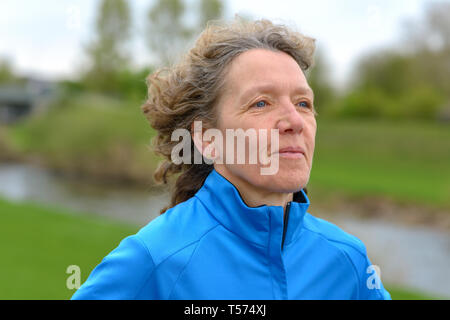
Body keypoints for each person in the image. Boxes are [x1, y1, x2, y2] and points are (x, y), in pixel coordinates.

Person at [71, 17, 391, 300]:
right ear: (208, 140)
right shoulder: (155, 259)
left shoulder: (348, 262)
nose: (295, 121)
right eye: (261, 103)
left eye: (304, 103)